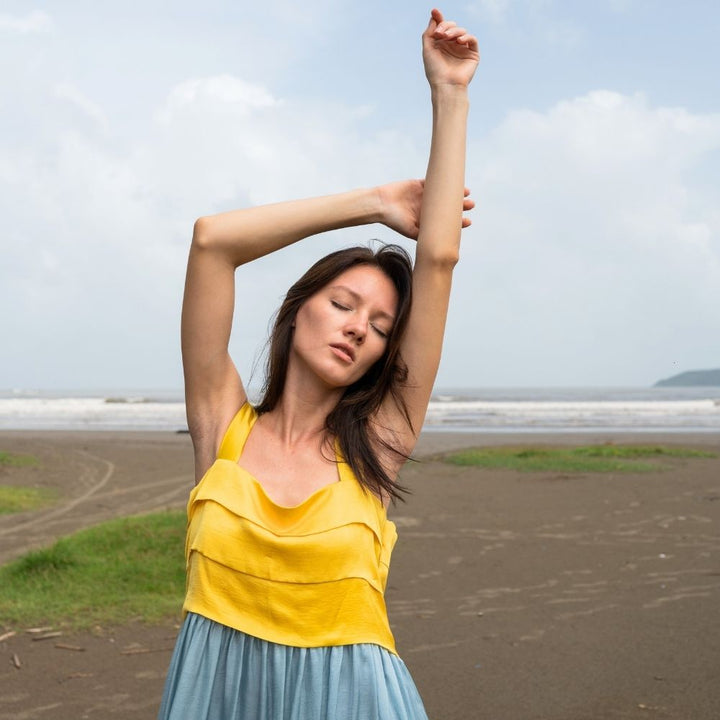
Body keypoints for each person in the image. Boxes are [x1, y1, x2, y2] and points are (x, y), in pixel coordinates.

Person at [157, 8, 479, 720]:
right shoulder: (222, 427)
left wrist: (449, 94)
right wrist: (369, 205)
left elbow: (440, 258)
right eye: (342, 303)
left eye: (379, 326)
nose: (358, 328)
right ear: (299, 308)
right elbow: (213, 241)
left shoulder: (381, 446)